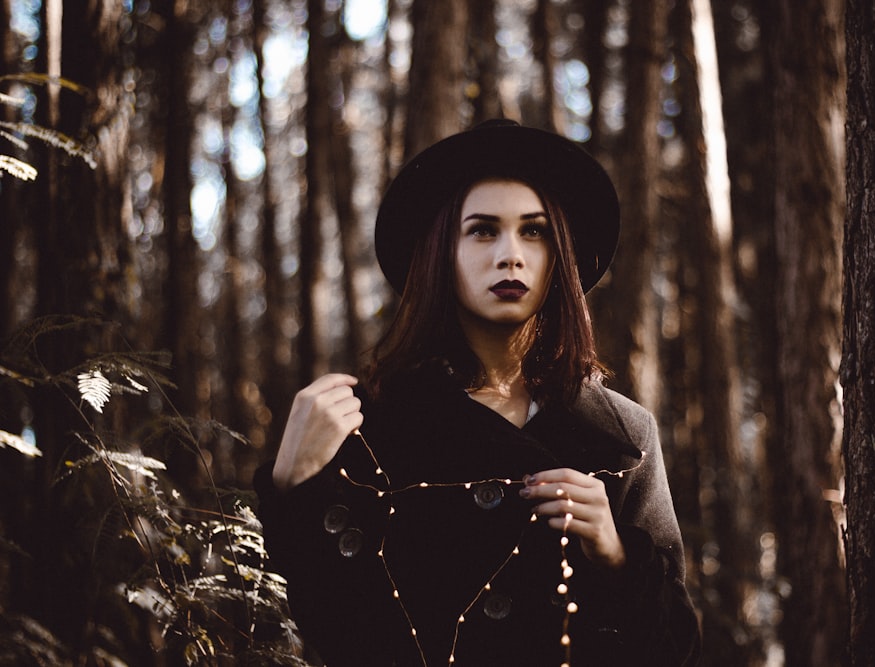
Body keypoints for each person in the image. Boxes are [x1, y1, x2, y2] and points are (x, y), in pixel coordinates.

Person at [254, 119, 700, 667]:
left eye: (534, 231)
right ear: (442, 253)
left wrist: (615, 555)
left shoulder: (622, 434)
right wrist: (290, 488)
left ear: (559, 254)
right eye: (483, 230)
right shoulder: (370, 424)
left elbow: (678, 648)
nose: (510, 255)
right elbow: (316, 623)